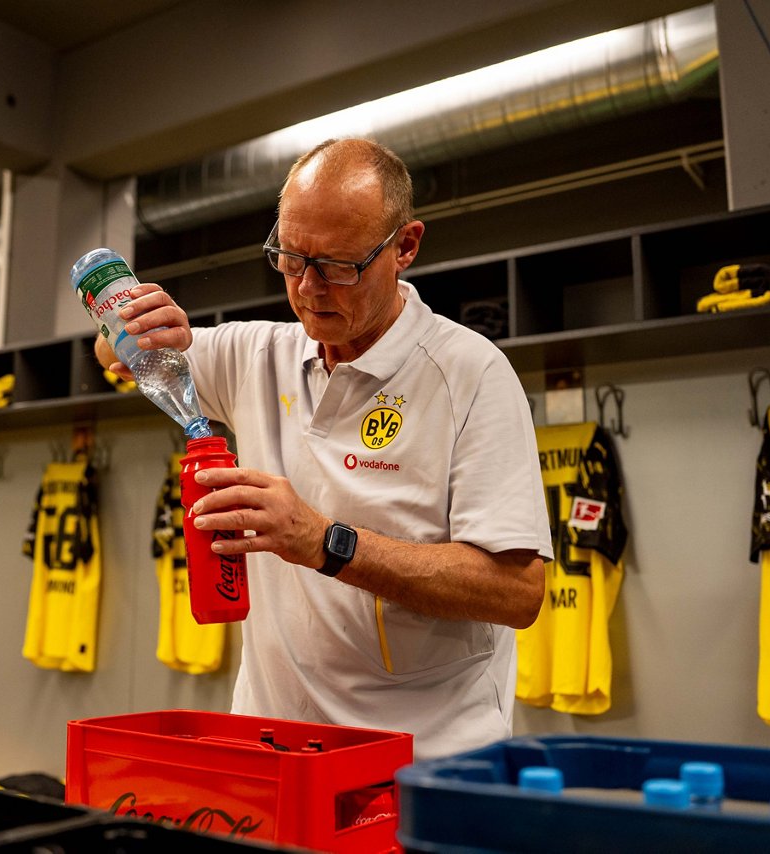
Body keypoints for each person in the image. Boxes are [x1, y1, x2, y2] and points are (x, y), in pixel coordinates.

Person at [97, 138, 552, 759]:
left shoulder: (469, 374)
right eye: (289, 257)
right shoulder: (258, 354)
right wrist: (134, 324)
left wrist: (324, 541)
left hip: (422, 758)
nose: (309, 288)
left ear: (405, 247)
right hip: (272, 747)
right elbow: (120, 358)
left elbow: (517, 592)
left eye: (338, 265)